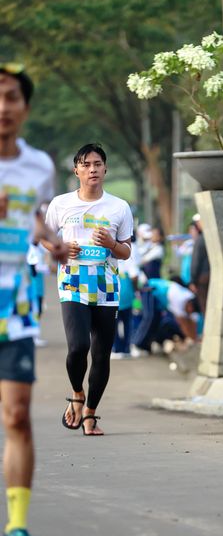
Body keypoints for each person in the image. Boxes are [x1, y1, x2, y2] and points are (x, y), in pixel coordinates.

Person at [0, 63, 68, 536]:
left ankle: (15, 530)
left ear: (25, 108)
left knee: (17, 415)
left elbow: (37, 219)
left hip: (15, 304)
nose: (3, 107)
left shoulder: (39, 165)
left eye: (11, 97)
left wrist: (52, 242)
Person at [44, 143, 133, 436]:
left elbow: (126, 252)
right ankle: (77, 394)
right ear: (76, 171)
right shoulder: (61, 204)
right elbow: (44, 237)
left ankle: (90, 414)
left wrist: (111, 244)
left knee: (101, 354)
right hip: (72, 283)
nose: (92, 169)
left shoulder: (119, 207)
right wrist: (59, 247)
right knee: (78, 346)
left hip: (106, 287)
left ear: (105, 169)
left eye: (97, 164)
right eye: (86, 165)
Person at [189, 215, 210, 315]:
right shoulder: (211, 237)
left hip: (202, 278)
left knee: (205, 306)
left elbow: (196, 262)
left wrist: (193, 281)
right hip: (212, 276)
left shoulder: (200, 240)